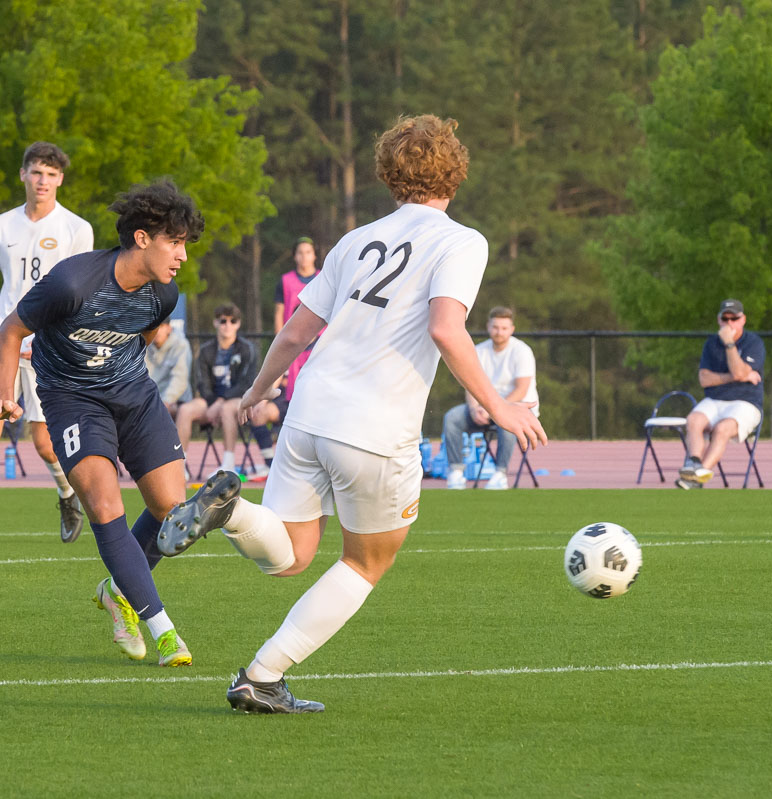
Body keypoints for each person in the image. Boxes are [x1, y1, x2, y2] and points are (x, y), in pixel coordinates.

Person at [157, 114, 547, 713]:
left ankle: (231, 512)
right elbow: (447, 327)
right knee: (366, 561)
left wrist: (258, 392)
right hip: (375, 428)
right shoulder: (461, 241)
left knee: (290, 554)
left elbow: (296, 333)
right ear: (456, 170)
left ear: (389, 174)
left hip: (309, 411)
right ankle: (261, 676)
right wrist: (499, 405)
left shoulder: (356, 239)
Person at [0, 179, 204, 667]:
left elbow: (138, 338)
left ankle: (117, 590)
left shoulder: (162, 296)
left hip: (134, 395)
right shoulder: (72, 283)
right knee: (106, 505)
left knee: (172, 511)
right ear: (142, 237)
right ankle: (165, 631)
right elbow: (10, 329)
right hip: (71, 401)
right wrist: (5, 395)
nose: (182, 257)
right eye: (176, 242)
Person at [0, 142, 94, 545]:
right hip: (4, 342)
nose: (42, 180)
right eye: (36, 171)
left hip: (51, 347)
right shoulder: (0, 227)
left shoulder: (76, 229)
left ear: (60, 179)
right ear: (23, 175)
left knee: (46, 443)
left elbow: (83, 294)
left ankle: (67, 495)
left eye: (50, 173)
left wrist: (65, 341)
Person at [441, 306, 539, 490]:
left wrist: (496, 408)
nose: (499, 332)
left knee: (508, 421)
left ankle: (500, 474)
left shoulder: (522, 351)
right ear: (488, 327)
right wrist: (474, 408)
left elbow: (522, 389)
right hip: (484, 408)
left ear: (512, 329)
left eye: (504, 328)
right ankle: (456, 472)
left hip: (516, 407)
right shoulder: (478, 351)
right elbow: (470, 385)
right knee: (452, 418)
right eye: (495, 327)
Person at [247, 237, 323, 468]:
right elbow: (280, 314)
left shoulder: (322, 279)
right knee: (262, 410)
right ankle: (272, 464)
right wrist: (285, 343)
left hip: (315, 361)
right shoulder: (286, 281)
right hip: (292, 357)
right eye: (300, 252)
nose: (304, 257)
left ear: (314, 255)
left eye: (308, 252)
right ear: (295, 256)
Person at [676, 299, 765, 490]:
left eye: (734, 318)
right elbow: (704, 379)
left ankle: (695, 480)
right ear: (719, 320)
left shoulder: (753, 343)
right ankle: (694, 464)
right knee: (693, 420)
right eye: (726, 318)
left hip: (745, 403)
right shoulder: (711, 344)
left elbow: (740, 372)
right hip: (714, 399)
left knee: (722, 429)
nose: (730, 323)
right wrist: (734, 376)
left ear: (743, 320)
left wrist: (730, 344)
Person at [173, 303, 259, 477]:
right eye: (223, 321)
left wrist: (221, 402)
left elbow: (246, 383)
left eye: (232, 321)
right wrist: (213, 401)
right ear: (215, 323)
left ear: (238, 324)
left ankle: (228, 465)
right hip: (211, 401)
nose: (227, 325)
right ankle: (179, 465)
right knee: (185, 409)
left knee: (227, 408)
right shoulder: (205, 350)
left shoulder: (248, 349)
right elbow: (202, 383)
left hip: (238, 401)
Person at [143, 320, 192, 417]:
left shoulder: (181, 345)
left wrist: (166, 401)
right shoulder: (144, 346)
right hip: (151, 401)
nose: (156, 330)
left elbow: (180, 380)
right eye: (153, 326)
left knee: (165, 413)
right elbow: (140, 381)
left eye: (161, 326)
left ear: (169, 328)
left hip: (176, 401)